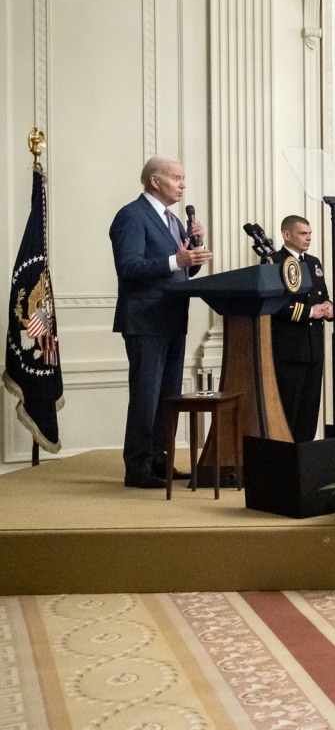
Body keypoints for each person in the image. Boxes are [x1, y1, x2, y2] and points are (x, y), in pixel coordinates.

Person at [109, 156, 209, 486]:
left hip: (172, 318)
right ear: (155, 181)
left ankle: (157, 459)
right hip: (146, 320)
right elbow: (129, 267)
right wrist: (174, 259)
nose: (183, 184)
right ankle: (136, 466)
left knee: (167, 396)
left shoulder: (172, 221)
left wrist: (195, 251)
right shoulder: (132, 216)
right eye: (176, 178)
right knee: (146, 396)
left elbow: (183, 270)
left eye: (183, 179)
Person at [269, 214, 331, 443]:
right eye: (303, 233)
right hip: (291, 348)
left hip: (314, 347)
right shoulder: (274, 261)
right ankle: (287, 453)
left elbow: (322, 294)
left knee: (309, 408)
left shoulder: (313, 262)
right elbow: (275, 304)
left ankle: (305, 453)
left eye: (310, 233)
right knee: (290, 408)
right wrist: (308, 312)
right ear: (287, 235)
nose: (308, 238)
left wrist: (328, 306)